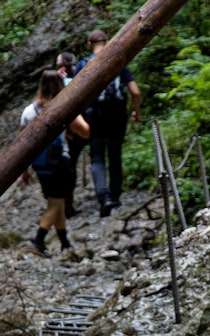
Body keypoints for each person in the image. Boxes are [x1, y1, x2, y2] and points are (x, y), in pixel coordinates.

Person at [19, 70, 90, 256]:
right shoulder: (63, 107)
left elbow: (20, 144)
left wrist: (24, 171)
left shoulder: (28, 111)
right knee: (55, 204)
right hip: (60, 164)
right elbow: (85, 131)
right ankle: (38, 240)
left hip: (40, 166)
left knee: (55, 202)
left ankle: (65, 243)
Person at [73, 29, 141, 217]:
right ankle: (116, 195)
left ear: (89, 44)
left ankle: (104, 198)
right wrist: (136, 111)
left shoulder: (83, 64)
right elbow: (135, 92)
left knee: (97, 157)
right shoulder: (118, 61)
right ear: (107, 41)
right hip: (117, 116)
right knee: (115, 153)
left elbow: (73, 95)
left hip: (94, 116)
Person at [56, 51, 84, 218]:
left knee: (67, 167)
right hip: (77, 124)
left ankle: (65, 203)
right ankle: (67, 203)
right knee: (70, 166)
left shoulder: (61, 79)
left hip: (69, 127)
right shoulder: (80, 74)